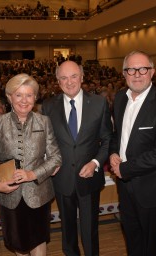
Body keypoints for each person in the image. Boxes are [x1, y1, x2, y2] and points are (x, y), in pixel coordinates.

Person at [109, 50, 156, 256]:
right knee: (131, 236)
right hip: (125, 186)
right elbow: (118, 134)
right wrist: (113, 152)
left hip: (151, 189)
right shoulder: (121, 97)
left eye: (143, 69)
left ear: (152, 72)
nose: (137, 74)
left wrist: (125, 168)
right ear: (124, 73)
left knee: (150, 243)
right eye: (131, 69)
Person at [0, 73, 62, 256]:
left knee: (39, 240)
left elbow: (56, 157)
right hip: (10, 195)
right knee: (18, 244)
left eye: (29, 95)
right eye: (18, 95)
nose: (24, 100)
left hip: (39, 193)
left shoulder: (44, 121)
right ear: (9, 97)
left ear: (35, 97)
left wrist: (32, 174)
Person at [42, 60, 112, 256]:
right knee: (68, 231)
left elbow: (107, 139)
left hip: (89, 178)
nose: (69, 81)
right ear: (57, 80)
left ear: (82, 77)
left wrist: (96, 162)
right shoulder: (48, 106)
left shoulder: (99, 103)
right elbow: (46, 143)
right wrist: (49, 161)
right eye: (63, 77)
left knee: (90, 230)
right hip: (62, 178)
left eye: (74, 76)